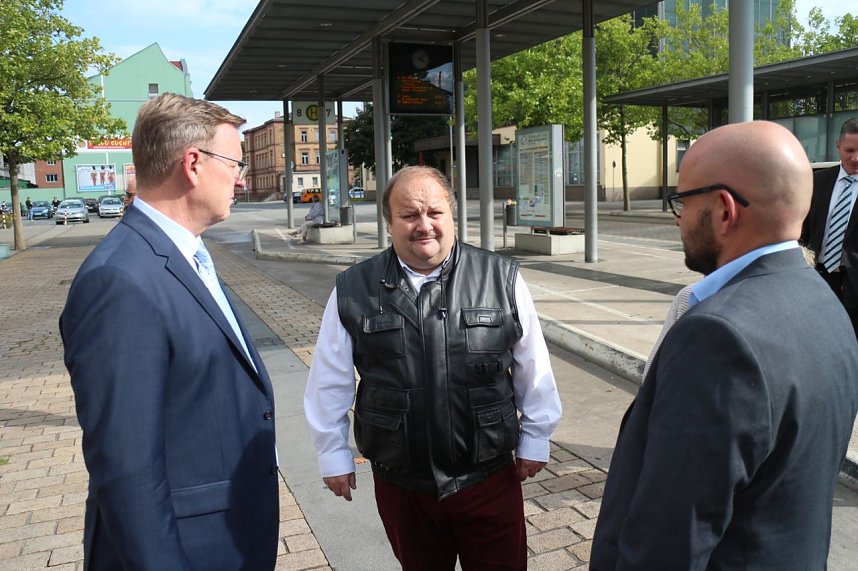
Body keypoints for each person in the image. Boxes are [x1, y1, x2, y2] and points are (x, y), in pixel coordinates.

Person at [590, 121, 858, 570]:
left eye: (683, 201)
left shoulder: (717, 335)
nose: (678, 219)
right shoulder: (828, 305)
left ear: (724, 209)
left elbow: (670, 538)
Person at [59, 93, 279, 571]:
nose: (241, 178)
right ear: (194, 163)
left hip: (228, 537)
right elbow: (127, 467)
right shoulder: (120, 280)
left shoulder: (185, 254)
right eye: (235, 163)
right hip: (185, 550)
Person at [304, 165, 562, 570]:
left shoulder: (501, 277)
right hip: (403, 485)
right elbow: (328, 380)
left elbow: (533, 366)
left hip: (488, 477)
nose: (424, 225)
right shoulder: (353, 288)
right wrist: (332, 455)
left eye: (435, 212)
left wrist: (536, 437)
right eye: (409, 215)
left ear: (452, 215)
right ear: (388, 222)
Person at [801, 117, 858, 335]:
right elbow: (802, 227)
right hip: (816, 278)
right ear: (838, 146)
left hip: (853, 284)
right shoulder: (817, 181)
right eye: (849, 150)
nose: (855, 158)